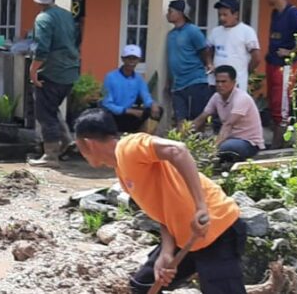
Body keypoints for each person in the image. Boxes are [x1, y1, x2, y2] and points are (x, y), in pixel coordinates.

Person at [73, 108, 248, 294]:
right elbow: (163, 216)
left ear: (87, 144)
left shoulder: (129, 147)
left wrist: (201, 206)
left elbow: (177, 149)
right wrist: (166, 252)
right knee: (143, 286)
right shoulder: (123, 173)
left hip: (216, 228)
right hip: (186, 239)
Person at [28, 0, 80, 167]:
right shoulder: (67, 16)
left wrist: (33, 71)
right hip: (70, 72)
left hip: (51, 72)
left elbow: (42, 49)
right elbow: (75, 40)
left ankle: (50, 155)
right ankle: (66, 140)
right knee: (52, 107)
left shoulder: (43, 18)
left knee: (45, 113)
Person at [192, 66, 264, 163]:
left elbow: (228, 125)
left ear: (234, 82)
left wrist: (212, 149)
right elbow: (202, 117)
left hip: (248, 143)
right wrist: (183, 137)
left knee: (224, 147)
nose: (220, 85)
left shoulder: (241, 98)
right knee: (202, 144)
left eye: (223, 81)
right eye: (217, 82)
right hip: (229, 138)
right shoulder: (216, 97)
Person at [265, 0, 297, 149]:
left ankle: (278, 146)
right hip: (272, 64)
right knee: (273, 103)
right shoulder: (275, 13)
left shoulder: (294, 14)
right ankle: (276, 143)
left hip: (285, 67)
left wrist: (292, 52)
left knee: (282, 108)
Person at [166, 0, 213, 123]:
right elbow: (171, 59)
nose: (168, 14)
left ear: (181, 14)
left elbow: (204, 49)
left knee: (196, 120)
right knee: (180, 120)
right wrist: (169, 81)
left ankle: (196, 143)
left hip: (194, 82)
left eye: (170, 11)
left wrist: (208, 64)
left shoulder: (193, 31)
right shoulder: (171, 34)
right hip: (177, 85)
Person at [207, 0, 261, 93]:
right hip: (215, 83)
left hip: (237, 84)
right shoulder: (215, 31)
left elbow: (256, 58)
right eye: (219, 15)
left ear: (235, 14)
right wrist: (210, 64)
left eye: (225, 15)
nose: (221, 18)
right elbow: (208, 51)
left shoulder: (247, 32)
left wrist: (245, 71)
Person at [101, 44, 160, 134]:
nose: (131, 61)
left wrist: (153, 104)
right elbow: (106, 103)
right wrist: (127, 111)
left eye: (134, 58)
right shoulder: (110, 77)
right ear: (123, 59)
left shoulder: (138, 79)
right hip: (115, 115)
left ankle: (144, 138)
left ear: (139, 60)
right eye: (129, 58)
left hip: (129, 115)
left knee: (157, 110)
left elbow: (146, 97)